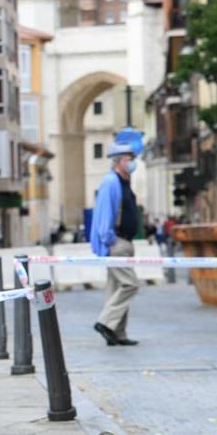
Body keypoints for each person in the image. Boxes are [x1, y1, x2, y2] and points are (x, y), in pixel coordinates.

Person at [89, 141, 141, 346]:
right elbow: (104, 214)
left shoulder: (124, 181)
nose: (132, 163)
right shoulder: (111, 182)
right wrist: (109, 240)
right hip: (116, 242)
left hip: (125, 241)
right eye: (129, 159)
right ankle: (105, 322)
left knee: (116, 287)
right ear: (118, 161)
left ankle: (117, 334)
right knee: (130, 284)